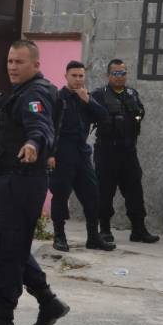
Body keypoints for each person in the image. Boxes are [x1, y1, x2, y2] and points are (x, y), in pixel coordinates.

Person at [0, 39, 70, 325]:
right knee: (14, 246)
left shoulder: (35, 94)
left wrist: (32, 144)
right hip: (15, 179)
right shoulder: (23, 92)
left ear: (35, 65)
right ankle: (48, 302)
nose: (13, 67)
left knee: (3, 248)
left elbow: (40, 127)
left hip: (20, 179)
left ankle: (3, 320)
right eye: (10, 61)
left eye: (20, 62)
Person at [47, 61, 115, 252]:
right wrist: (50, 154)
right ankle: (59, 236)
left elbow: (104, 118)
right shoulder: (58, 98)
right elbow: (49, 128)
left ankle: (93, 237)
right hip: (62, 153)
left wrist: (89, 101)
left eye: (81, 76)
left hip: (82, 153)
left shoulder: (86, 97)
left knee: (93, 196)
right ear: (66, 76)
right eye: (74, 75)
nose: (78, 79)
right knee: (60, 195)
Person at [91, 59, 158, 244]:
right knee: (105, 191)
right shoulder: (98, 95)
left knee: (135, 190)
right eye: (116, 73)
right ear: (108, 75)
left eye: (123, 73)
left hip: (128, 151)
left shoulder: (132, 94)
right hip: (106, 151)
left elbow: (140, 113)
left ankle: (138, 229)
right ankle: (104, 229)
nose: (120, 77)